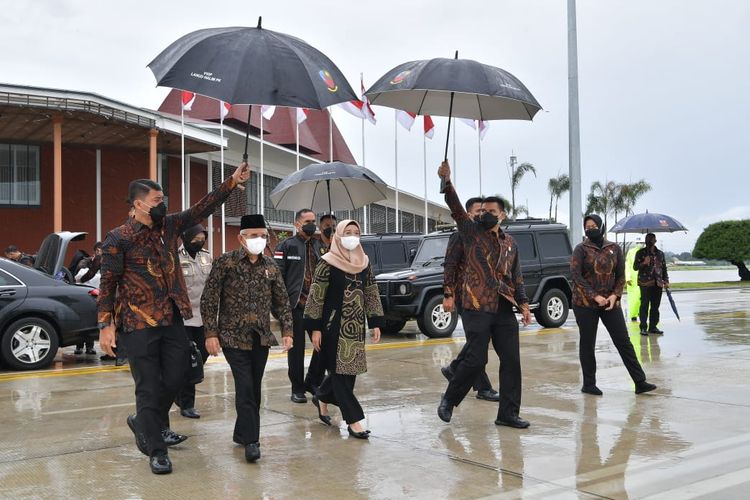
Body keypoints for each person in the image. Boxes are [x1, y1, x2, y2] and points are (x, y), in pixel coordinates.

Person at [97, 162, 250, 475]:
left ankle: (144, 421)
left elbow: (200, 208)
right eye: (156, 200)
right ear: (138, 204)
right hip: (137, 324)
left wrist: (231, 183)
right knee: (149, 387)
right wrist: (105, 326)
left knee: (182, 375)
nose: (162, 204)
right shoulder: (119, 238)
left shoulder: (169, 226)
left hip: (172, 318)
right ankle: (156, 449)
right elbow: (107, 285)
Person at [435, 161, 532, 429]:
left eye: (491, 211)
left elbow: (517, 277)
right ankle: (449, 399)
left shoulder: (510, 243)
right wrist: (447, 181)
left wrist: (523, 305)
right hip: (476, 304)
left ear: (502, 215)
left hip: (502, 305)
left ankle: (508, 414)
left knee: (511, 360)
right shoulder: (470, 232)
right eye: (483, 211)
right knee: (477, 358)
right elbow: (455, 208)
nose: (486, 214)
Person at [201, 214, 293, 462]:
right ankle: (252, 441)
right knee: (245, 386)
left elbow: (282, 301)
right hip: (232, 336)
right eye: (254, 236)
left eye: (263, 236)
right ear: (241, 238)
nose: (259, 240)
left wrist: (287, 331)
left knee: (254, 388)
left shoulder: (270, 266)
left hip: (260, 337)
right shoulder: (226, 263)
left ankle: (242, 433)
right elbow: (209, 300)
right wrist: (210, 334)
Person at [304, 219, 383, 438]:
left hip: (356, 327)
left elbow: (371, 291)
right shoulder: (327, 262)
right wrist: (315, 328)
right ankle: (355, 421)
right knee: (339, 375)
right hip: (332, 326)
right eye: (347, 232)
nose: (352, 236)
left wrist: (375, 321)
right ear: (338, 235)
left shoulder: (364, 262)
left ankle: (322, 396)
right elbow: (316, 296)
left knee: (349, 373)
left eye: (356, 232)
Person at [570, 215, 657, 396]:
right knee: (587, 344)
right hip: (585, 304)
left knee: (623, 341)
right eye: (587, 226)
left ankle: (640, 382)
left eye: (594, 226)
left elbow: (621, 276)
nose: (591, 229)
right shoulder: (581, 249)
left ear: (601, 227)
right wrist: (595, 297)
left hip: (610, 303)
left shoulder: (614, 248)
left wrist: (614, 295)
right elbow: (576, 277)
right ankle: (589, 384)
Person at [441, 196, 500, 402]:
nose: (481, 216)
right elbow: (449, 265)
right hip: (465, 296)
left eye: (483, 212)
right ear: (468, 214)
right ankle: (482, 387)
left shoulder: (485, 236)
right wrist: (448, 294)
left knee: (477, 341)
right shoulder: (460, 236)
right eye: (477, 212)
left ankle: (455, 368)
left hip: (483, 298)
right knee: (477, 344)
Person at [274, 209, 326, 403]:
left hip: (317, 307)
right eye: (308, 221)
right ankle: (297, 389)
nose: (312, 224)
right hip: (296, 306)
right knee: (296, 350)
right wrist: (280, 307)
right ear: (297, 224)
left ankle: (312, 381)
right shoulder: (286, 246)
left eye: (314, 220)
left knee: (322, 345)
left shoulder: (319, 246)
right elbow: (277, 278)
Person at [175, 224, 212, 419]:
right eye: (196, 238)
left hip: (203, 317)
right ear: (186, 237)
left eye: (202, 238)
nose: (200, 241)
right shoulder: (175, 257)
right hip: (183, 318)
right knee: (188, 361)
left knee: (201, 356)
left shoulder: (206, 257)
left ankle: (178, 393)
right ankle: (187, 403)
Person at [634, 233, 669, 336]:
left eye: (651, 239)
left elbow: (664, 268)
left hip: (657, 283)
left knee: (655, 306)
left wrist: (666, 280)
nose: (649, 241)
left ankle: (653, 327)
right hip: (645, 283)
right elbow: (635, 267)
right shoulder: (640, 253)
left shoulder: (660, 254)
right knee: (644, 305)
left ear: (655, 241)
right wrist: (644, 263)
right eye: (647, 239)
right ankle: (643, 327)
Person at [624, 237, 644, 322]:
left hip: (644, 279)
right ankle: (634, 314)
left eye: (642, 242)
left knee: (645, 298)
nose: (640, 244)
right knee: (634, 298)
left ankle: (643, 313)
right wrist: (628, 277)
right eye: (639, 242)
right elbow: (628, 265)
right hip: (633, 280)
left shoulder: (648, 252)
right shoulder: (631, 252)